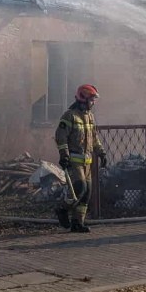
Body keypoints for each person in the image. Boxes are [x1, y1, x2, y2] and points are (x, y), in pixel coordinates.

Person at [54, 84, 107, 233]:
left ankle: (77, 223)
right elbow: (61, 136)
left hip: (87, 162)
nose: (93, 103)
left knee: (87, 193)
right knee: (80, 188)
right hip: (74, 161)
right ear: (83, 99)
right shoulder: (70, 116)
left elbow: (94, 138)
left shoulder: (90, 117)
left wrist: (101, 153)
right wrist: (64, 155)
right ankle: (62, 209)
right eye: (91, 99)